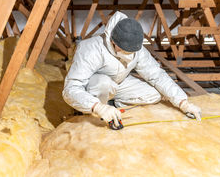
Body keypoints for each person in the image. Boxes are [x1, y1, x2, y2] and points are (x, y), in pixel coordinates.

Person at [63, 11, 201, 129]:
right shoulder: (91, 49)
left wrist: (183, 102)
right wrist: (97, 107)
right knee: (104, 83)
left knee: (154, 94)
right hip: (95, 86)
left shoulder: (137, 49)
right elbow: (71, 89)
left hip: (119, 83)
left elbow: (156, 75)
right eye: (124, 51)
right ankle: (95, 110)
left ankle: (113, 106)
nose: (129, 55)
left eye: (132, 52)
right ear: (113, 42)